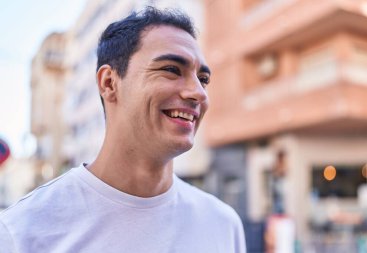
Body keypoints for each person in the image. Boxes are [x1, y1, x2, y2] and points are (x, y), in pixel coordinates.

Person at [0, 7, 246, 253]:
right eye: (171, 70)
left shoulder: (223, 224)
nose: (198, 93)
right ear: (109, 83)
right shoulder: (21, 232)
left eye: (203, 79)